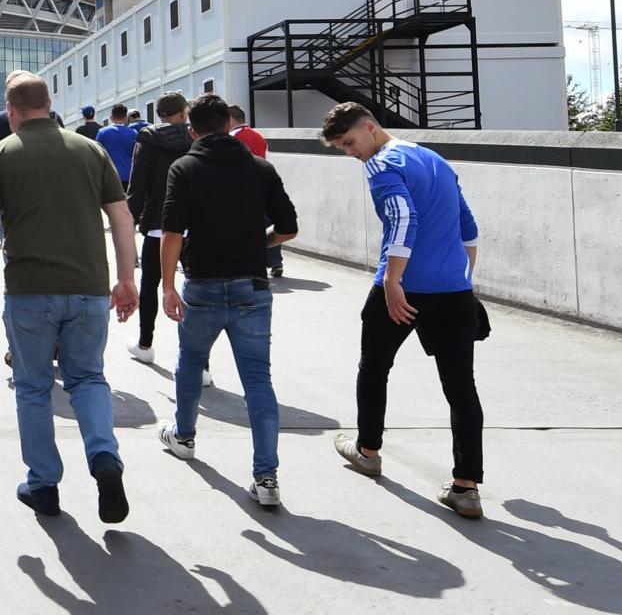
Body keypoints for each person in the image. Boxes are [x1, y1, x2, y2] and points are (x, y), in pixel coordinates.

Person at [0, 72, 138, 523]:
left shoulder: (0, 154)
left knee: (33, 388)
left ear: (12, 109)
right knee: (89, 379)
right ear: (50, 103)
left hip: (30, 291)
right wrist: (125, 279)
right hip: (90, 289)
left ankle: (43, 484)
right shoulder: (90, 149)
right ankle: (104, 457)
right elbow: (121, 216)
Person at [322, 100, 485, 518]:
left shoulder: (380, 164)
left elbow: (402, 217)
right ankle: (465, 487)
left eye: (350, 142)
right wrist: (462, 279)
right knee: (460, 386)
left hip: (403, 286)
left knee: (374, 368)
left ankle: (368, 450)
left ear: (371, 128)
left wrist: (395, 281)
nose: (349, 152)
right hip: (453, 291)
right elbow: (468, 226)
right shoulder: (434, 158)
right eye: (342, 147)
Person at [155, 94, 301, 509]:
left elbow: (172, 233)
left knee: (189, 360)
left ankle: (183, 437)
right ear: (230, 125)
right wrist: (260, 243)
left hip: (201, 284)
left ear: (192, 129)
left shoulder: (184, 167)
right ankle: (266, 476)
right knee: (258, 380)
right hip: (252, 288)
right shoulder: (260, 168)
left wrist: (168, 286)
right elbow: (288, 229)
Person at [125, 94, 193, 365]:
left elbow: (137, 186)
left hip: (157, 224)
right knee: (193, 285)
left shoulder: (147, 139)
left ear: (160, 113)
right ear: (184, 113)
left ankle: (145, 345)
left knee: (150, 284)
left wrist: (129, 226)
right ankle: (199, 362)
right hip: (192, 224)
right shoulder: (194, 137)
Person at [227, 104, 284, 276]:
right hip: (263, 185)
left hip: (242, 189)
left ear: (230, 120)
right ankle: (275, 261)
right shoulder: (259, 136)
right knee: (266, 224)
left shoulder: (231, 137)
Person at [95, 104, 140, 189]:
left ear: (111, 117)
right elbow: (137, 155)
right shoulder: (133, 133)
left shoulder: (102, 132)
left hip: (109, 176)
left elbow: (97, 154)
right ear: (126, 117)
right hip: (129, 175)